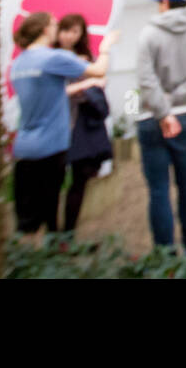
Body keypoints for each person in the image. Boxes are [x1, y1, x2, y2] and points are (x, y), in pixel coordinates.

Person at [9, 11, 111, 242]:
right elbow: (99, 70)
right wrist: (106, 47)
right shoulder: (52, 58)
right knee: (50, 205)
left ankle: (29, 259)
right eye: (55, 24)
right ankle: (53, 255)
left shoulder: (19, 63)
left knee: (28, 218)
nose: (57, 28)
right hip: (51, 145)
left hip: (24, 147)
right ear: (45, 29)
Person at [135, 0, 186, 255]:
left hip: (151, 119)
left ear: (165, 3)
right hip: (185, 117)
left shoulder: (148, 34)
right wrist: (178, 98)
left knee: (158, 189)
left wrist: (163, 110)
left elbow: (145, 80)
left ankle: (165, 252)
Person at [56, 13, 118, 233]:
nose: (70, 36)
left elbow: (98, 81)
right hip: (59, 125)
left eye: (75, 31)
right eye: (66, 30)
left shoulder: (82, 58)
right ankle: (55, 237)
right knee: (56, 182)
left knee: (79, 180)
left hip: (80, 126)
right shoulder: (53, 58)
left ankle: (67, 234)